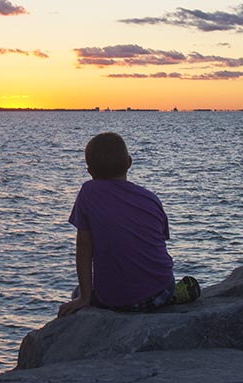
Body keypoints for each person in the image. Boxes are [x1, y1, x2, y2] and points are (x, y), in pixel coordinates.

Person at [58, 132, 198, 317]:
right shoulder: (150, 198)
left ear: (90, 171)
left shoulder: (88, 192)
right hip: (160, 291)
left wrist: (84, 298)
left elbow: (84, 246)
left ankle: (89, 296)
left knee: (79, 291)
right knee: (158, 286)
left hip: (115, 301)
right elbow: (159, 240)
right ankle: (170, 297)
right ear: (129, 163)